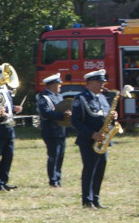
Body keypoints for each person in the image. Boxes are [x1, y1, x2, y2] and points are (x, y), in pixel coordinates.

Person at [71, 69, 115, 209]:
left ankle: (96, 198)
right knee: (90, 169)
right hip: (88, 140)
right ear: (90, 83)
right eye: (99, 82)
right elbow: (76, 121)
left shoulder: (102, 97)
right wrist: (91, 134)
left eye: (103, 82)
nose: (103, 85)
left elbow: (104, 115)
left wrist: (113, 117)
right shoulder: (81, 98)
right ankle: (87, 201)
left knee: (101, 168)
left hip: (103, 140)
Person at [0, 64, 22, 191]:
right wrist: (2, 114)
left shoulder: (5, 90)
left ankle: (4, 180)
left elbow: (7, 107)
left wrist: (14, 109)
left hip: (9, 127)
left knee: (8, 155)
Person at [37, 73, 70, 187]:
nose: (60, 85)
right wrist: (62, 115)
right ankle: (53, 180)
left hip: (61, 130)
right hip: (51, 131)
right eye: (58, 83)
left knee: (60, 155)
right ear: (52, 85)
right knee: (53, 155)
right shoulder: (44, 97)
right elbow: (46, 113)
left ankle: (58, 178)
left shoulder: (59, 96)